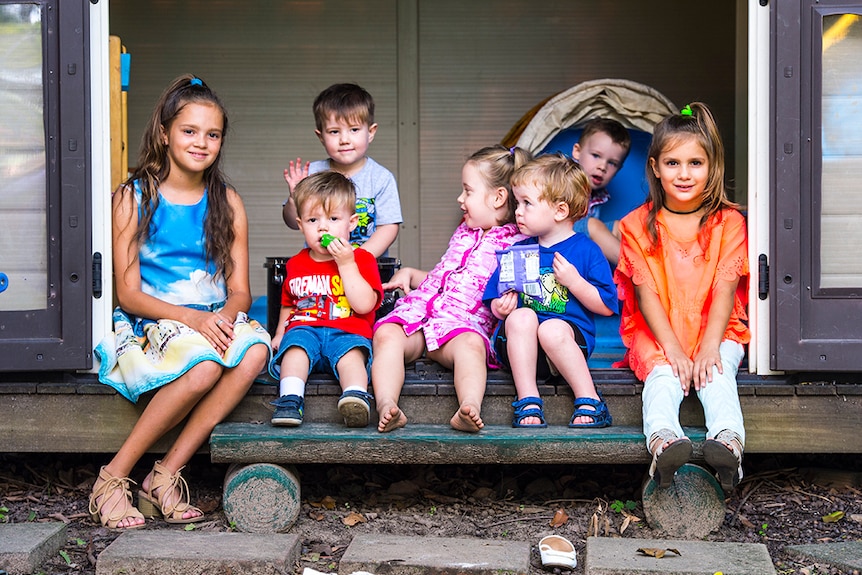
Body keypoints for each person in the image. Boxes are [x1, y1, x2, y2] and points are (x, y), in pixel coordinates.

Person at [91, 75, 271, 529]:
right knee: (207, 365)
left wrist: (224, 319)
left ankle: (164, 474)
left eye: (213, 135)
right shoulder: (135, 198)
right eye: (189, 131)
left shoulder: (227, 202)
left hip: (210, 318)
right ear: (165, 133)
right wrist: (193, 319)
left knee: (254, 352)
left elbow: (240, 291)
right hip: (154, 320)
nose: (201, 142)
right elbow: (128, 293)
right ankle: (113, 476)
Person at [614, 102, 750, 492]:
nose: (685, 173)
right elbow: (647, 295)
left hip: (715, 327)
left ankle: (728, 446)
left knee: (717, 374)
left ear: (712, 167)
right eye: (673, 163)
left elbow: (725, 288)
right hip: (658, 331)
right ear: (655, 166)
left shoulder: (728, 223)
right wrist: (673, 349)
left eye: (695, 163)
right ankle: (664, 443)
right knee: (662, 377)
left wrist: (708, 348)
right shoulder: (637, 225)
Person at [372, 145, 532, 433]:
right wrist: (411, 273)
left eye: (468, 191)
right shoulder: (464, 232)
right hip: (420, 314)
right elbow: (448, 277)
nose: (460, 199)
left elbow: (522, 293)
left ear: (498, 198)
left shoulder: (518, 245)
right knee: (386, 335)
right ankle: (387, 404)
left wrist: (512, 304)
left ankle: (469, 407)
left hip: (460, 327)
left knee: (471, 348)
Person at [484, 153, 617, 428]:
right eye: (517, 202)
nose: (517, 211)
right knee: (521, 317)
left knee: (552, 329)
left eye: (527, 203)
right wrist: (500, 307)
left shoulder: (586, 250)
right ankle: (528, 400)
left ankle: (590, 400)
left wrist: (575, 282)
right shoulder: (519, 249)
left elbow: (605, 305)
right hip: (521, 350)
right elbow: (494, 299)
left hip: (566, 347)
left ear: (560, 211)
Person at [268, 171, 383, 428]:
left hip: (347, 330)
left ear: (351, 222)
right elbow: (289, 302)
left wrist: (346, 263)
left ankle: (355, 396)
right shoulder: (297, 263)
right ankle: (289, 400)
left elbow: (364, 305)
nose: (323, 227)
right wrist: (279, 333)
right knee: (293, 351)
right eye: (313, 219)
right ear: (300, 224)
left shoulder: (362, 259)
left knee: (353, 356)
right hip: (305, 328)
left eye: (333, 218)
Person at [282, 83, 402, 258]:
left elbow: (389, 227)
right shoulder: (312, 173)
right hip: (320, 267)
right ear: (321, 136)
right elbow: (293, 223)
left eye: (354, 129)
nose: (344, 139)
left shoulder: (381, 178)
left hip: (367, 266)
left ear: (371, 132)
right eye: (334, 132)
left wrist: (359, 257)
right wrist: (294, 199)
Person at [570, 118, 631, 265]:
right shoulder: (564, 177)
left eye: (612, 163)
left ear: (618, 169)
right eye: (596, 156)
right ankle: (636, 272)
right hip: (557, 238)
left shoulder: (597, 194)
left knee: (619, 226)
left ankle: (652, 264)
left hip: (581, 245)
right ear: (577, 152)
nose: (602, 166)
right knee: (593, 225)